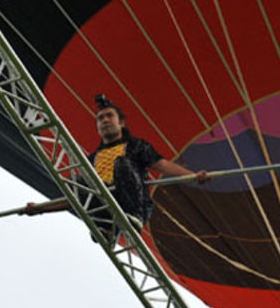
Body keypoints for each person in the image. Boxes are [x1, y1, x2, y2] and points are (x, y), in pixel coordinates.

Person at [24, 96, 208, 228]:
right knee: (80, 180)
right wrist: (41, 209)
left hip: (132, 204)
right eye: (100, 119)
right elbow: (77, 198)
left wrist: (192, 176)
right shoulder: (92, 159)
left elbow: (162, 165)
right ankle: (104, 227)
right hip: (104, 206)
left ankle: (131, 218)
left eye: (109, 116)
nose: (105, 121)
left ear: (121, 123)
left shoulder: (135, 146)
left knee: (122, 164)